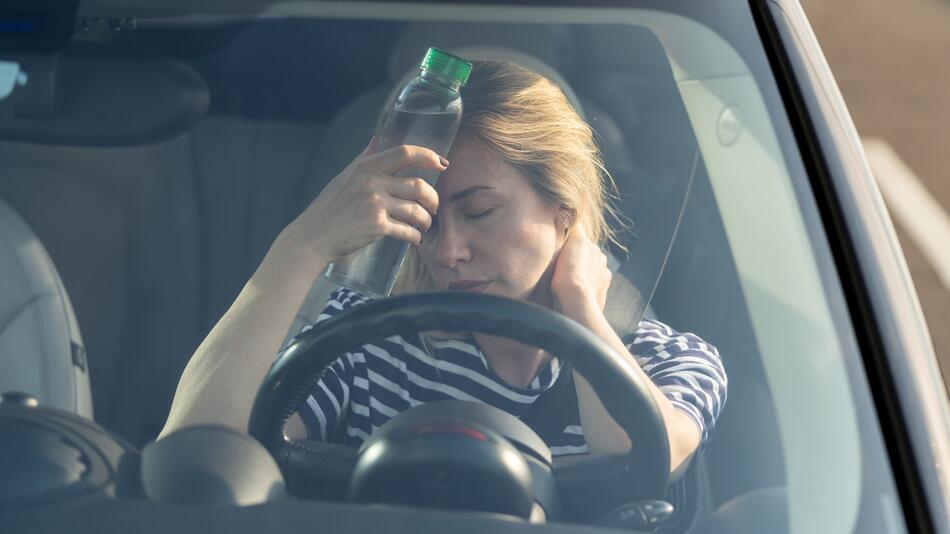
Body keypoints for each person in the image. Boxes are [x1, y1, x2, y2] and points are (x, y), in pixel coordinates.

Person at [162, 59, 726, 516]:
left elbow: (637, 454)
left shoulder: (664, 359)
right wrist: (301, 246)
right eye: (424, 225)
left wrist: (579, 304)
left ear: (563, 211)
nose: (447, 252)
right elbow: (199, 452)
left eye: (479, 212)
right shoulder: (366, 342)